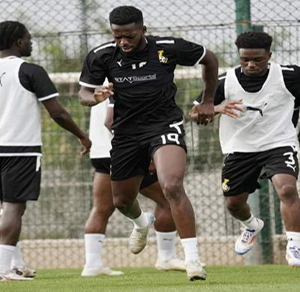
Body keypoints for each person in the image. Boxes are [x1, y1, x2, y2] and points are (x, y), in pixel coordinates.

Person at [78, 6, 218, 281]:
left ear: (143, 29)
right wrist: (93, 96)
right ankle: (141, 223)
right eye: (117, 36)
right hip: (126, 134)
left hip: (165, 125)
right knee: (121, 201)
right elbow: (83, 92)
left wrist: (209, 100)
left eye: (129, 36)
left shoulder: (168, 48)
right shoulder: (102, 55)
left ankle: (193, 260)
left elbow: (209, 59)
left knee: (173, 186)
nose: (123, 42)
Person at [191, 31, 300, 267]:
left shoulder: (290, 76)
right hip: (239, 149)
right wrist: (217, 108)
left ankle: (295, 245)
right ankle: (251, 225)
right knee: (234, 203)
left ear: (269, 56)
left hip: (278, 143)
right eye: (245, 59)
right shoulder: (223, 81)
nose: (250, 64)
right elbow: (195, 113)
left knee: (287, 188)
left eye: (257, 60)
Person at [0, 21, 91, 281]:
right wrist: (82, 136)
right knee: (14, 209)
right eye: (28, 39)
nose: (31, 43)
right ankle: (3, 268)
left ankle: (15, 264)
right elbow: (58, 113)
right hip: (20, 149)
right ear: (18, 41)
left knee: (8, 210)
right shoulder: (30, 71)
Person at [81, 99, 187, 277]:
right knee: (168, 199)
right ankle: (166, 257)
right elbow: (111, 120)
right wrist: (141, 152)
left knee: (101, 208)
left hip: (100, 150)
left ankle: (93, 264)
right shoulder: (123, 76)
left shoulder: (98, 77)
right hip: (124, 151)